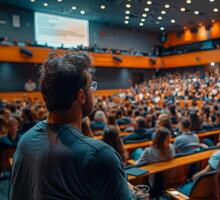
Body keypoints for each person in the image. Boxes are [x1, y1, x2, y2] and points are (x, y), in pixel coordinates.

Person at [10, 51, 132, 199]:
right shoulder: (100, 156)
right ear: (81, 95)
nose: (93, 92)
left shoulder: (25, 140)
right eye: (91, 87)